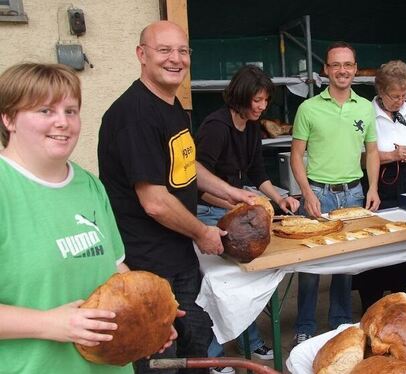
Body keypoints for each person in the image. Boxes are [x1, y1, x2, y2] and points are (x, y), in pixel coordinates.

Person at [98, 21, 256, 374]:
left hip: (179, 257)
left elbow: (186, 164)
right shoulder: (133, 114)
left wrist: (230, 191)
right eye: (164, 50)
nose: (176, 59)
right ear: (142, 55)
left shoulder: (172, 108)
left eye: (182, 51)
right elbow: (153, 200)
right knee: (160, 359)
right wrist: (202, 232)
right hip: (149, 264)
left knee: (193, 351)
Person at [0, 63, 174, 373]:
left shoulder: (89, 185)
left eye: (71, 111)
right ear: (8, 118)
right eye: (44, 111)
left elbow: (114, 266)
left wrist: (148, 317)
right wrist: (47, 324)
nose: (62, 122)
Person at [195, 65, 300, 364]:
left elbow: (257, 172)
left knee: (243, 282)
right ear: (240, 97)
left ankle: (248, 340)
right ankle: (214, 357)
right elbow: (196, 182)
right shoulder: (215, 126)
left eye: (265, 100)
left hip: (234, 208)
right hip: (207, 211)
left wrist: (280, 198)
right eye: (257, 100)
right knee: (219, 286)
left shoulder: (252, 126)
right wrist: (233, 203)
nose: (262, 106)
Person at [290, 41, 380, 345]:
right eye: (335, 65)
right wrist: (307, 193)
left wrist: (374, 187)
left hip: (353, 194)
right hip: (319, 193)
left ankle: (340, 322)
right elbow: (296, 156)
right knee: (311, 265)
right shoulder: (308, 108)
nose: (342, 71)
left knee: (345, 265)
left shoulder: (366, 107)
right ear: (326, 70)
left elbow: (372, 152)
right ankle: (305, 324)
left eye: (348, 65)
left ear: (355, 69)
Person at [352, 60, 406, 311]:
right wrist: (393, 156)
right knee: (376, 238)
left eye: (404, 95)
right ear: (381, 92)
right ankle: (371, 297)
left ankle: (402, 293)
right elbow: (361, 157)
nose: (400, 101)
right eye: (395, 96)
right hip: (377, 181)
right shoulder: (366, 114)